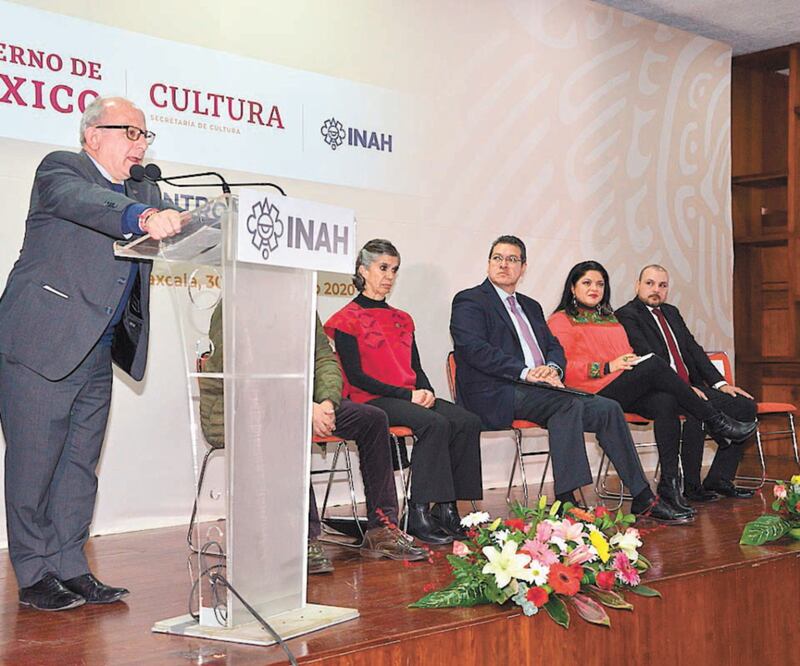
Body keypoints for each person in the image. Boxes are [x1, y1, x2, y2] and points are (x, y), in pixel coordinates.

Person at [0, 97, 184, 611]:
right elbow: (86, 203)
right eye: (131, 132)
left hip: (99, 347)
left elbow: (173, 223)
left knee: (80, 466)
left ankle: (72, 567)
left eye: (146, 135)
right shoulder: (62, 168)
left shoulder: (142, 185)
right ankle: (35, 573)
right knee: (34, 464)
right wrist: (142, 214)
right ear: (93, 135)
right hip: (40, 341)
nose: (140, 144)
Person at [450, 235, 690, 523]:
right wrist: (526, 372)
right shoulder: (470, 300)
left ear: (523, 267)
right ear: (489, 263)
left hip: (542, 389)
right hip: (498, 390)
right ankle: (568, 500)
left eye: (512, 259)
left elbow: (553, 347)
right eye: (498, 258)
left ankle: (643, 498)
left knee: (607, 408)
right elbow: (474, 350)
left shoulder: (531, 306)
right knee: (566, 406)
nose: (504, 265)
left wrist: (552, 367)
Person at [199, 303, 426, 573]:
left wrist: (327, 402)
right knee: (287, 423)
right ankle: (301, 538)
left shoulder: (300, 299)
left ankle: (382, 530)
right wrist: (305, 407)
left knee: (373, 419)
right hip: (241, 406)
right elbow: (246, 373)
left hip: (304, 402)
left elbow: (323, 358)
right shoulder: (236, 302)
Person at [547, 261, 757, 516]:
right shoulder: (560, 320)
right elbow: (564, 367)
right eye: (587, 283)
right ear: (572, 287)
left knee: (665, 401)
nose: (594, 288)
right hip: (590, 393)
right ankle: (715, 420)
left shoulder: (610, 319)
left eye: (600, 284)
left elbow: (629, 354)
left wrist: (625, 363)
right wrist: (606, 366)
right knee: (655, 364)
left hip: (621, 385)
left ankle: (669, 486)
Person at [325, 239, 483, 545]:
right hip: (371, 398)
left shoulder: (402, 318)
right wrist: (407, 395)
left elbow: (416, 366)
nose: (389, 276)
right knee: (433, 424)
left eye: (394, 270)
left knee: (466, 421)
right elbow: (357, 376)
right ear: (363, 270)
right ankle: (419, 512)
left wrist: (426, 390)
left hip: (406, 395)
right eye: (382, 268)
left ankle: (447, 509)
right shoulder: (346, 320)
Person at [616, 264, 759, 501]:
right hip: (660, 390)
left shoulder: (671, 312)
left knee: (745, 405)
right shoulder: (627, 314)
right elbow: (647, 355)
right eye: (650, 283)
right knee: (695, 409)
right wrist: (684, 389)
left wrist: (720, 383)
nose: (656, 290)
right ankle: (691, 487)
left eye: (662, 285)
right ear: (637, 285)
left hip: (690, 385)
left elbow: (693, 350)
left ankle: (719, 478)